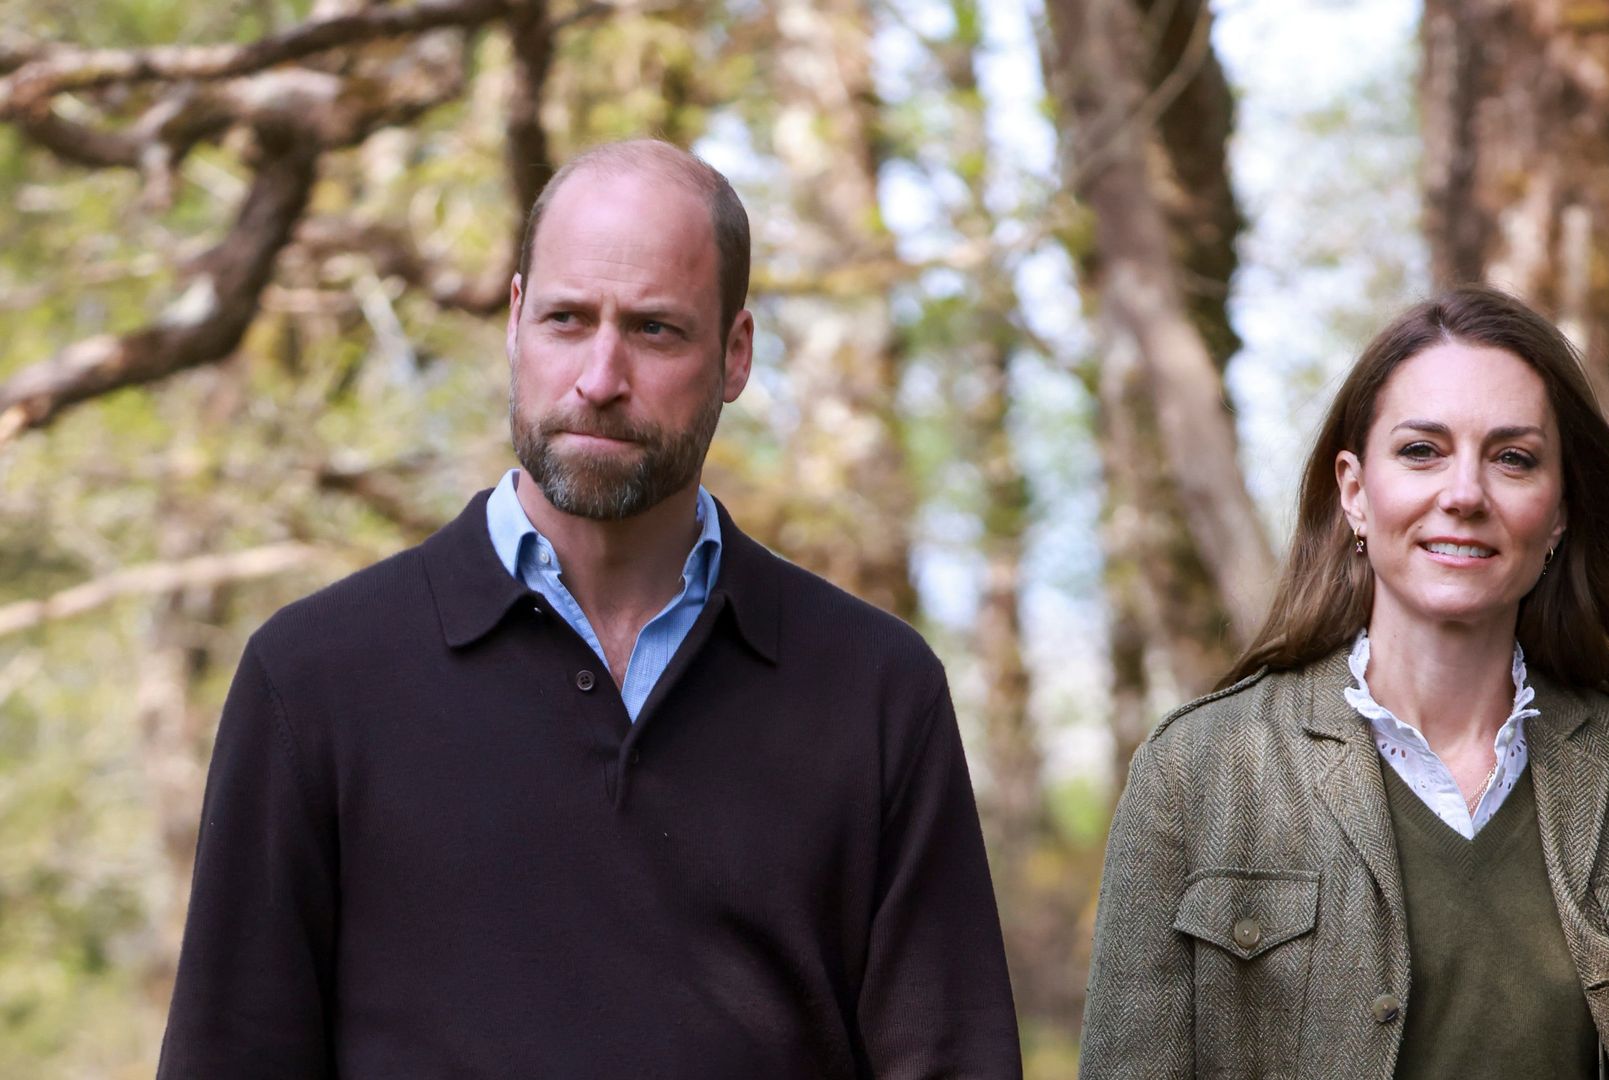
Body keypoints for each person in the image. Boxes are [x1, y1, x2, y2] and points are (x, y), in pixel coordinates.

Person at [159, 139, 1021, 1078]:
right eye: (569, 319)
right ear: (517, 321)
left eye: (655, 330)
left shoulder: (876, 691)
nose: (600, 377)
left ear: (735, 354)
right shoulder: (315, 680)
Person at [1079, 286, 1609, 1079]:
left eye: (1513, 459)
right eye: (1422, 450)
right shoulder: (1200, 771)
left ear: (1558, 512)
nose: (1463, 494)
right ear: (1354, 490)